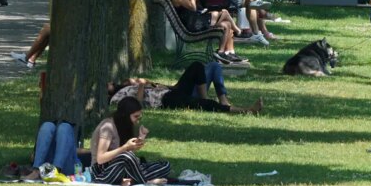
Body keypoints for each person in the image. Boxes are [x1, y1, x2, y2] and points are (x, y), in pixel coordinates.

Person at [159, 0, 247, 64]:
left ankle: (224, 53)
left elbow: (193, 8)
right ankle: (237, 31)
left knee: (226, 24)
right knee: (225, 12)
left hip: (193, 22)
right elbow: (193, 8)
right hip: (192, 26)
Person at [108, 61, 263, 114]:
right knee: (201, 105)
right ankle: (247, 110)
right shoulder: (118, 97)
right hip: (165, 100)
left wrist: (152, 84)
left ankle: (212, 99)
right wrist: (140, 86)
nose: (110, 83)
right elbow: (137, 105)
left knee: (197, 66)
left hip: (171, 91)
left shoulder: (125, 87)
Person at [90, 97, 170, 186]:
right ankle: (145, 182)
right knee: (127, 156)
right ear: (125, 115)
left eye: (139, 117)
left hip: (122, 169)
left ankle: (130, 180)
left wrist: (141, 137)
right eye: (135, 116)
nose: (137, 120)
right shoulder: (108, 127)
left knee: (165, 165)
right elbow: (100, 159)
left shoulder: (123, 125)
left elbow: (129, 155)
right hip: (102, 172)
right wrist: (125, 148)